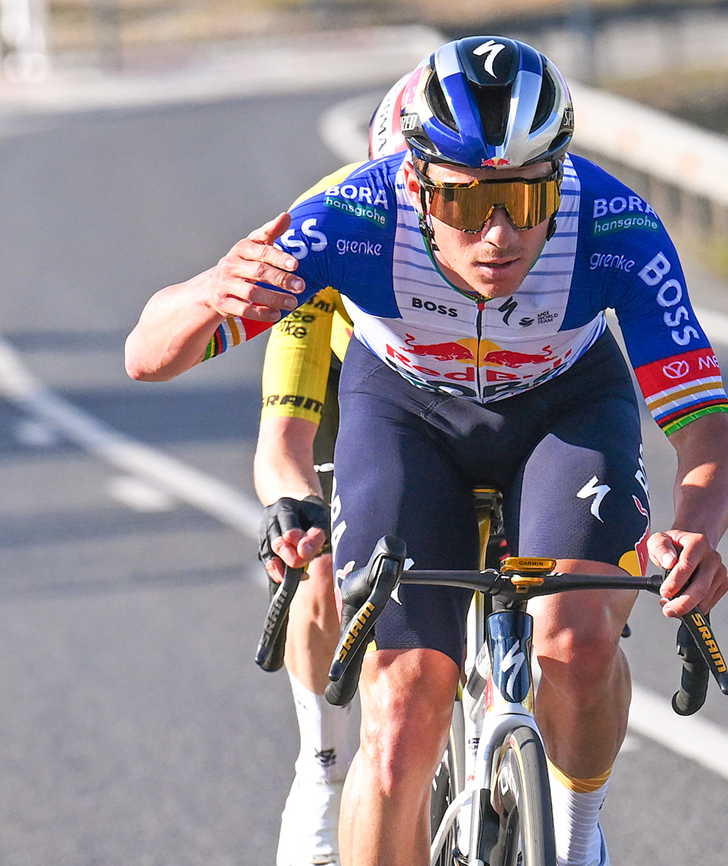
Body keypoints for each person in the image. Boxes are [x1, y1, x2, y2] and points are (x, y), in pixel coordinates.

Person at [124, 35, 728, 866]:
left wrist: (699, 530)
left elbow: (707, 428)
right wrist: (207, 292)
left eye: (526, 202)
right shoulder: (353, 216)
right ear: (414, 185)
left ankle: (578, 839)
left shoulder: (615, 227)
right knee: (403, 710)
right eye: (464, 204)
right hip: (405, 414)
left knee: (577, 641)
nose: (497, 236)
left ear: (559, 182)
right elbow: (146, 357)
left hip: (564, 408)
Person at [253, 74, 413, 866]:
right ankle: (323, 765)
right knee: (318, 566)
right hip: (355, 385)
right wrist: (294, 508)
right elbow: (282, 438)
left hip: (475, 388)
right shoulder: (327, 225)